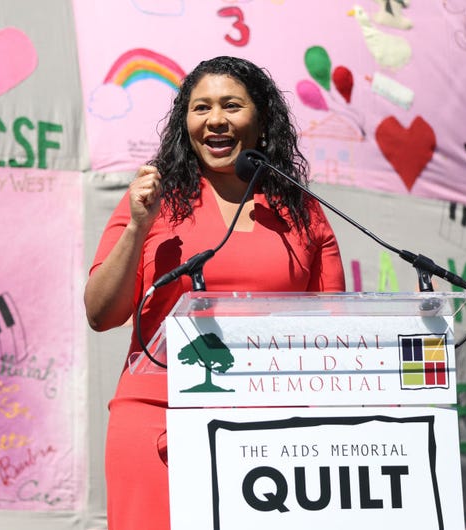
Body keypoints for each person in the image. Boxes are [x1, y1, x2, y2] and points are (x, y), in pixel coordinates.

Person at [84, 56, 346, 529]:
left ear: (262, 120)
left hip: (273, 436)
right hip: (157, 421)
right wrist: (138, 226)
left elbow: (332, 336)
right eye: (200, 108)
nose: (216, 120)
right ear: (185, 122)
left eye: (231, 105)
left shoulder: (305, 214)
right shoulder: (152, 199)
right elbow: (101, 313)